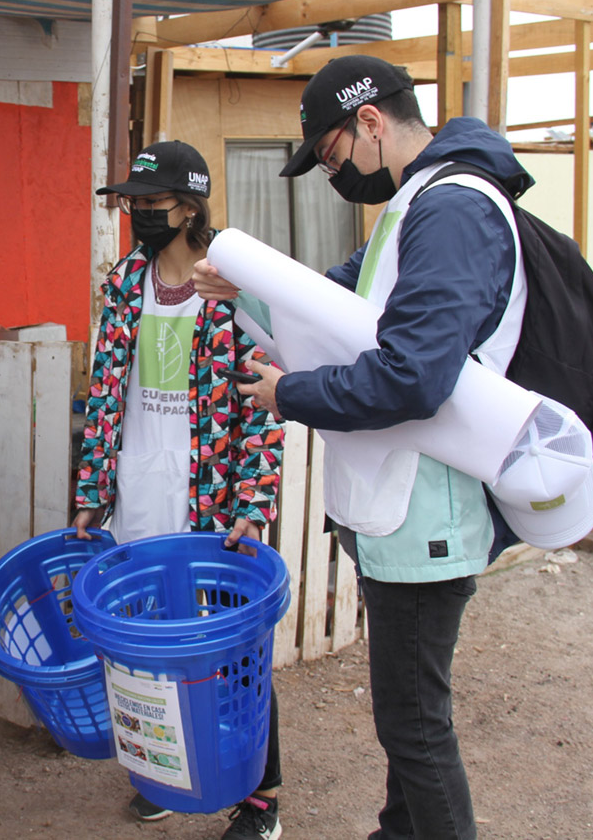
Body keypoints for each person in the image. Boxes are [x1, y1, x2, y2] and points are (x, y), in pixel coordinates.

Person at [194, 55, 535, 840]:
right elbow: (334, 302)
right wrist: (244, 287)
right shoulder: (415, 204)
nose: (333, 175)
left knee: (415, 726)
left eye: (332, 155)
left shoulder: (452, 209)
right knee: (407, 721)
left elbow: (414, 377)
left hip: (426, 509)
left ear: (371, 121)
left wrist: (289, 394)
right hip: (399, 507)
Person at [73, 140, 287, 840]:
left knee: (232, 647)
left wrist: (254, 504)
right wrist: (93, 487)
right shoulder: (125, 280)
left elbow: (263, 402)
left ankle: (261, 796)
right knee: (150, 646)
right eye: (131, 202)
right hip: (140, 484)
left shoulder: (233, 282)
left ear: (189, 205)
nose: (138, 213)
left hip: (212, 494)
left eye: (151, 202)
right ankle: (168, 773)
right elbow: (105, 391)